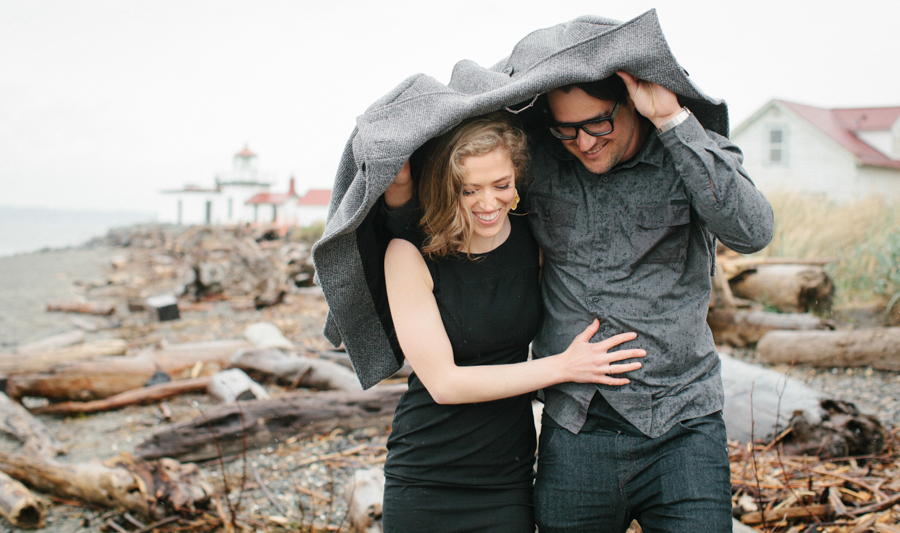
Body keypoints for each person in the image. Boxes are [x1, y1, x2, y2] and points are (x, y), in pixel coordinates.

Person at [527, 72, 774, 532]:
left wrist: (670, 118)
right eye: (567, 129)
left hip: (682, 425)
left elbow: (753, 232)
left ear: (632, 103)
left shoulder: (693, 149)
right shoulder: (541, 159)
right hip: (576, 426)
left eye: (598, 123)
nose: (583, 142)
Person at [379, 112, 645, 533]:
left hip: (508, 478)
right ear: (448, 187)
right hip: (426, 475)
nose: (489, 203)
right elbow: (444, 384)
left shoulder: (532, 237)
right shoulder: (408, 254)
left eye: (501, 185)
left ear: (518, 178)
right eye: (470, 190)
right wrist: (565, 366)